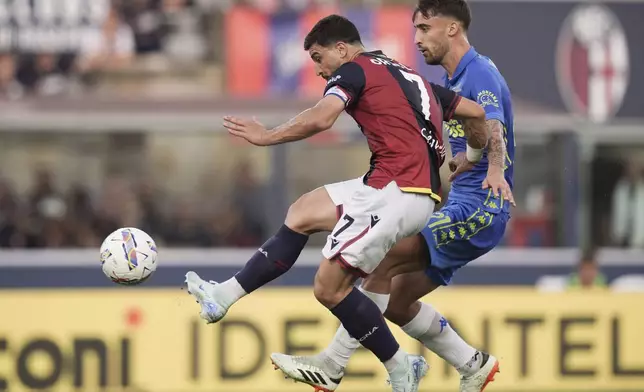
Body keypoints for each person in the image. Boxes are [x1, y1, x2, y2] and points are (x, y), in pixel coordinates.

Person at [184, 14, 490, 392]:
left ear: (342, 48)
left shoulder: (354, 70)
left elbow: (322, 118)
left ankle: (398, 366)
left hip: (393, 194)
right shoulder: (408, 76)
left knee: (329, 288)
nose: (317, 70)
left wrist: (266, 136)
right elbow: (477, 112)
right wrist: (474, 156)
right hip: (403, 190)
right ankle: (223, 295)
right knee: (303, 212)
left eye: (317, 57)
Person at [270, 1, 515, 391]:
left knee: (381, 261)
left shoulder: (478, 71)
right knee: (398, 303)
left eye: (424, 29)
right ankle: (474, 365)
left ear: (452, 29)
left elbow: (492, 123)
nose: (417, 40)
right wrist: (469, 156)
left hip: (481, 206)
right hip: (459, 203)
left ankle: (333, 365)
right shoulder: (446, 83)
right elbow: (475, 127)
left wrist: (496, 169)